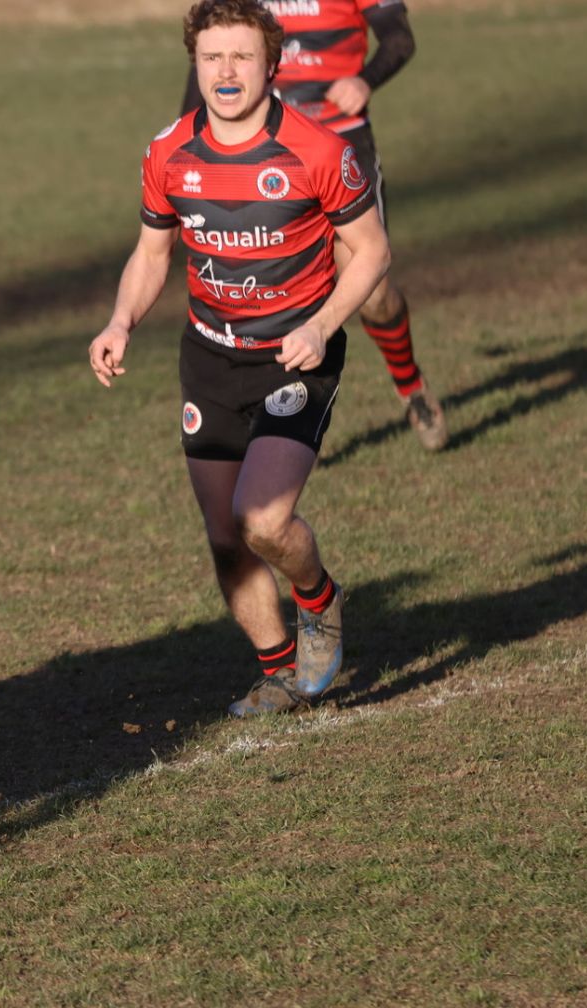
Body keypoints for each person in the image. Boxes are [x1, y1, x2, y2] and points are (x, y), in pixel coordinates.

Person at [88, 0, 390, 716]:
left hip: (297, 356)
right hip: (210, 358)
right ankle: (279, 671)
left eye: (243, 57)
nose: (227, 72)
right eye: (212, 57)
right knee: (226, 535)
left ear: (271, 63)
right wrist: (121, 321)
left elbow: (373, 250)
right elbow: (152, 251)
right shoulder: (169, 153)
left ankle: (318, 598)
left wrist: (322, 325)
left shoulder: (319, 151)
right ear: (195, 63)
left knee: (262, 519)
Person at [183, 0, 445, 449]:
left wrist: (365, 80)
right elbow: (207, 63)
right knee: (269, 289)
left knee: (376, 295)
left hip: (341, 149)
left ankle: (411, 386)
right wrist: (189, 141)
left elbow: (399, 40)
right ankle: (280, 427)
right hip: (264, 153)